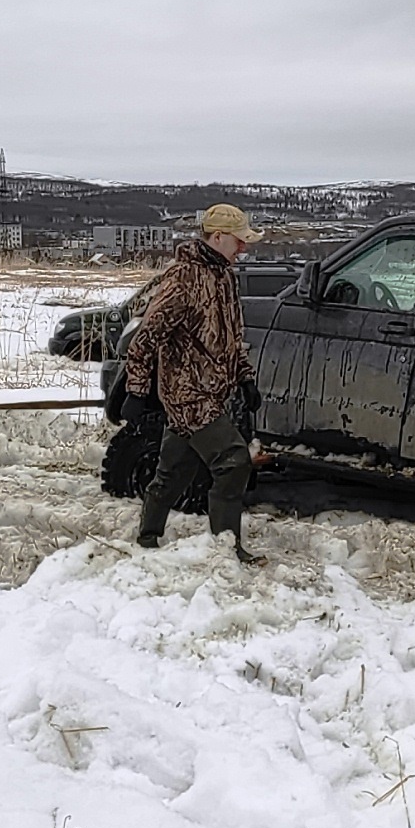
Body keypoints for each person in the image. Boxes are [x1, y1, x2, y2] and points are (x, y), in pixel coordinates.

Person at [122, 203, 265, 563]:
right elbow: (144, 339)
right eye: (238, 241)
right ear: (217, 237)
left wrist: (245, 378)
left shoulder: (224, 277)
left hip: (213, 392)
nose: (243, 248)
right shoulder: (182, 279)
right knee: (233, 461)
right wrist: (137, 391)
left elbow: (232, 338)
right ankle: (225, 550)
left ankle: (147, 537)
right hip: (186, 393)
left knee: (174, 471)